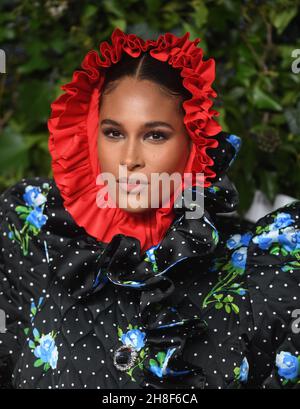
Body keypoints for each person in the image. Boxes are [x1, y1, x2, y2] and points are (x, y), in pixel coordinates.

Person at [0, 28, 300, 390]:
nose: (129, 160)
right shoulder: (36, 238)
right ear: (90, 132)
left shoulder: (259, 270)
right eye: (113, 133)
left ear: (193, 143)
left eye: (155, 135)